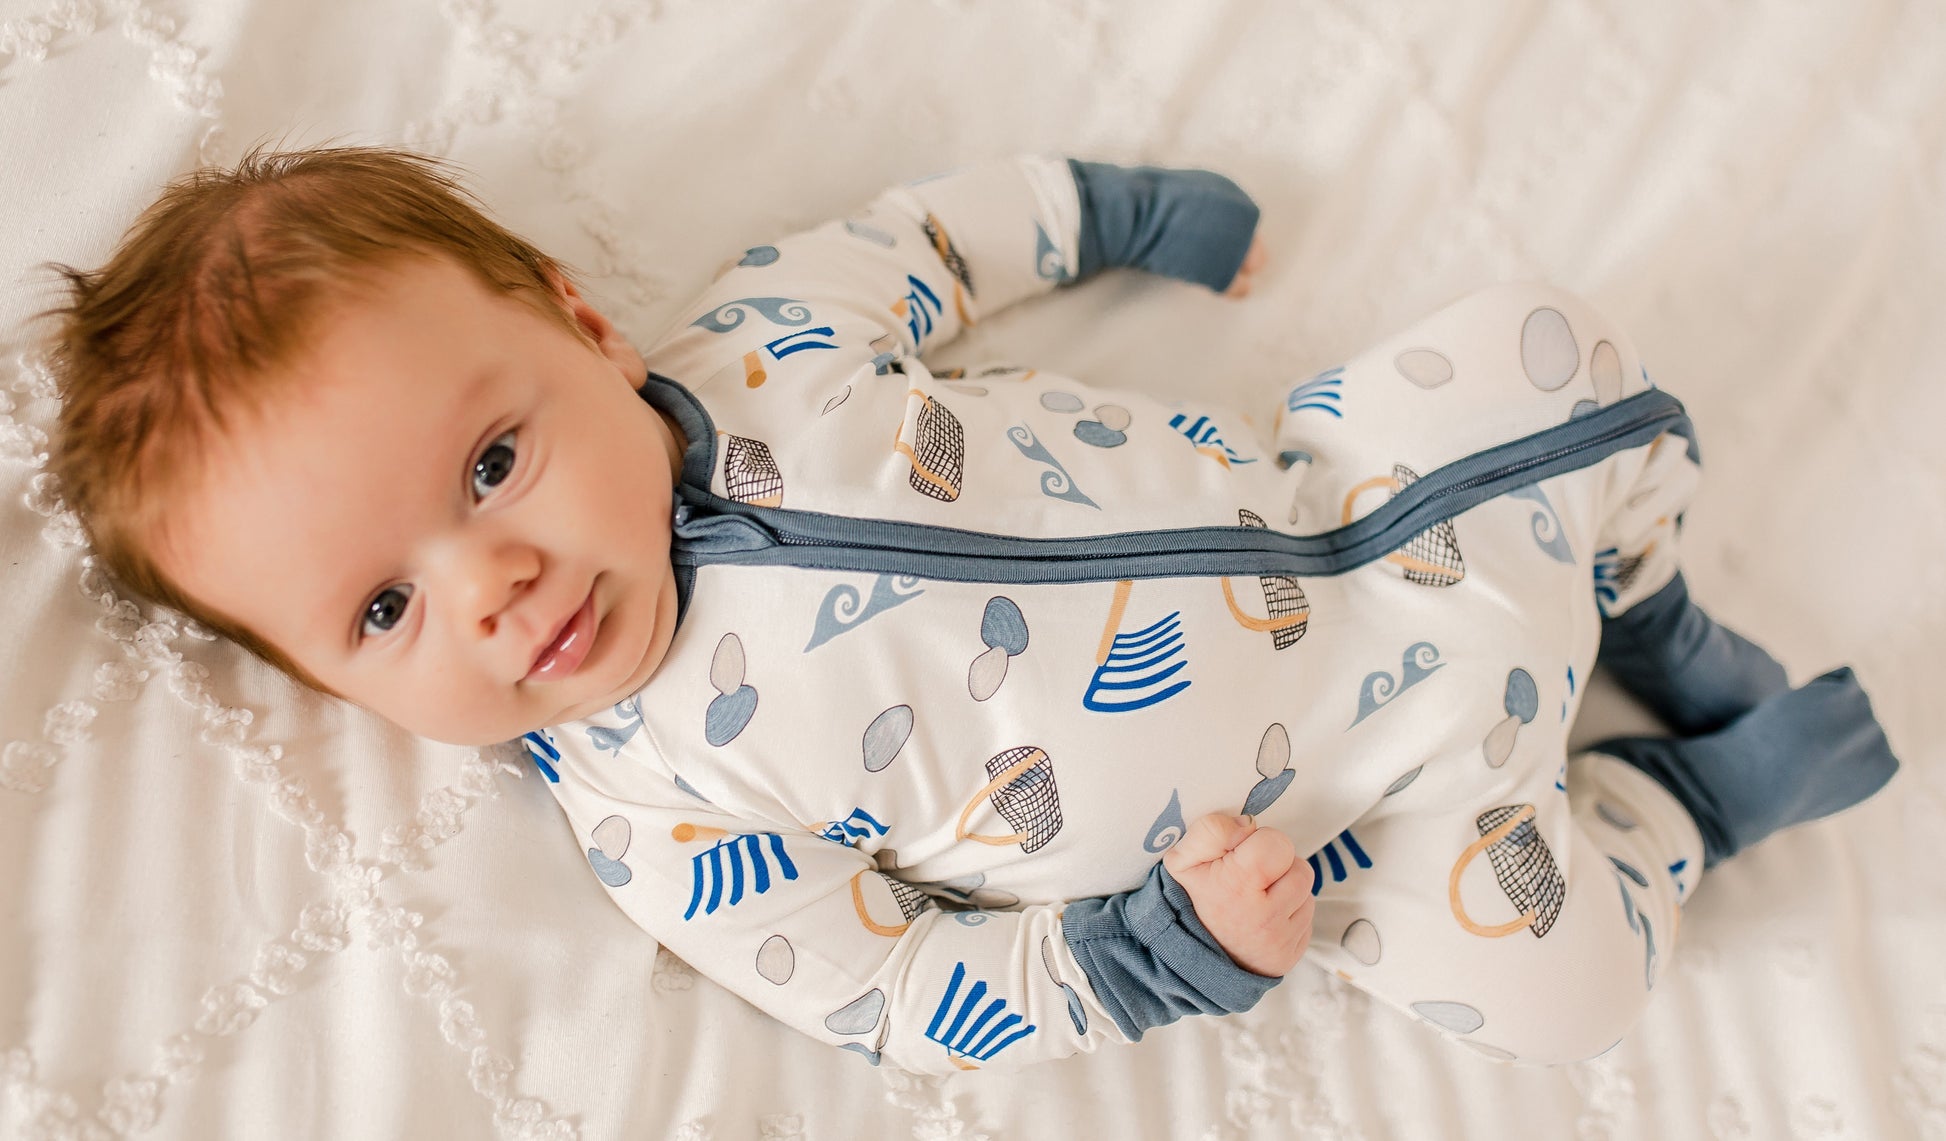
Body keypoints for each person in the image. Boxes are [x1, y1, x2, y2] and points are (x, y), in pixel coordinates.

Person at [45, 147, 1898, 1074]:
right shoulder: (654, 808)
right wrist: (1152, 958)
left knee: (1551, 350)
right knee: (1562, 984)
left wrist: (1118, 211)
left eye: (487, 467)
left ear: (577, 324)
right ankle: (1687, 812)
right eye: (378, 609)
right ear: (323, 682)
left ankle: (1639, 608)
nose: (488, 587)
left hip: (1358, 505)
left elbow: (931, 244)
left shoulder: (764, 341)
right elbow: (910, 990)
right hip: (1357, 828)